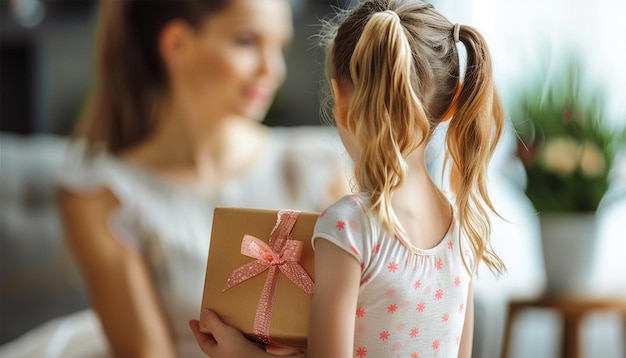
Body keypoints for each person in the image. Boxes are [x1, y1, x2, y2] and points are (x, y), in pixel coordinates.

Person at [0, 0, 350, 357]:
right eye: (247, 41)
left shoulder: (313, 166)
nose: (273, 70)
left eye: (279, 47)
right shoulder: (103, 195)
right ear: (178, 44)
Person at [190, 0, 507, 357]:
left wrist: (242, 354)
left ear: (340, 95)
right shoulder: (462, 227)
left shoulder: (349, 226)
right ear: (452, 104)